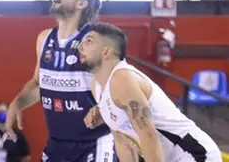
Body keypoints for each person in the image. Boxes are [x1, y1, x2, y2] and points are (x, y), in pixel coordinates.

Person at [79, 23, 222, 162]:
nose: (80, 46)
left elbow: (148, 134)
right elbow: (123, 142)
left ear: (106, 51)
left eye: (89, 41)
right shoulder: (96, 87)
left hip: (195, 154)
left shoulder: (121, 77)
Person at [5, 0, 114, 161]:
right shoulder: (44, 38)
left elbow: (120, 87)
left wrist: (102, 109)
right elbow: (38, 84)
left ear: (81, 4)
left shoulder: (97, 40)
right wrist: (17, 103)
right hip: (57, 144)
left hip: (95, 142)